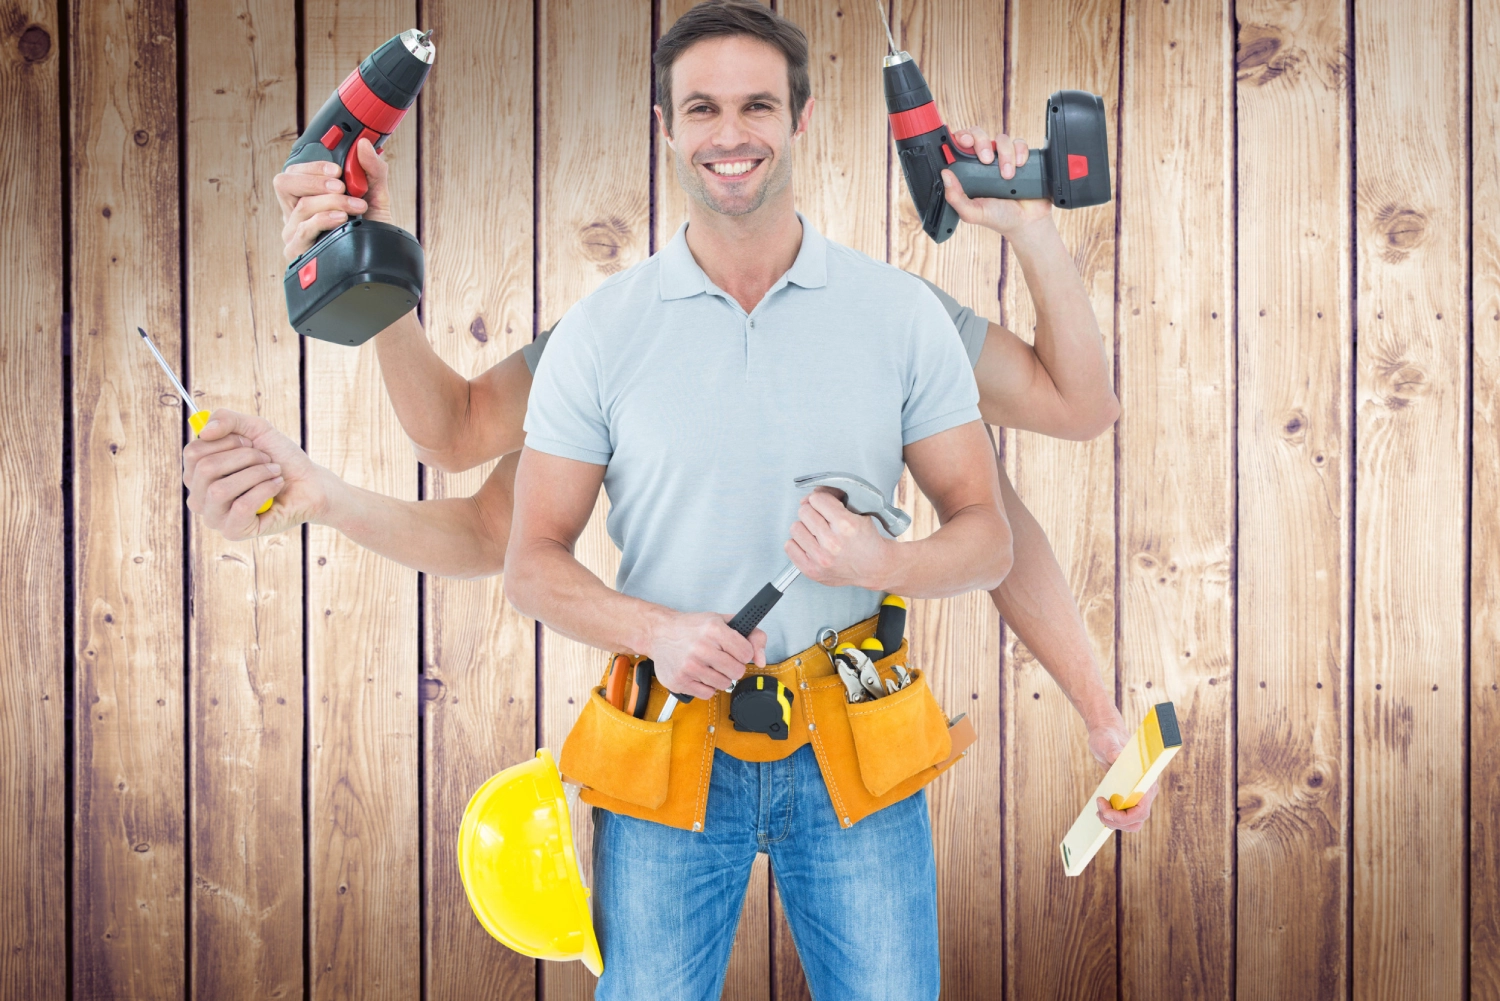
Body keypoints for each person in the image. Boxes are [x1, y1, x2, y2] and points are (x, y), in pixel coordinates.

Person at [185, 2, 1154, 994]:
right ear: (667, 126)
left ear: (802, 120)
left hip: (855, 747)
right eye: (701, 108)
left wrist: (1031, 228)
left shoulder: (894, 316)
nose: (730, 134)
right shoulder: (608, 335)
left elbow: (1046, 453)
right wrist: (363, 262)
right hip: (668, 749)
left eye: (756, 105)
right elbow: (469, 463)